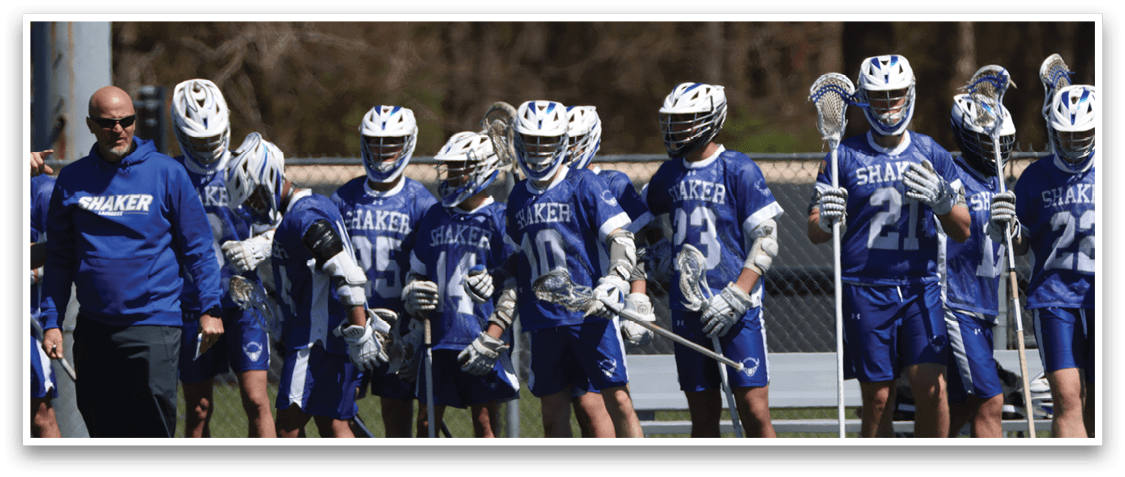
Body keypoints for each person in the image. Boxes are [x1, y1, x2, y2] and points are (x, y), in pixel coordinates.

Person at [38, 85, 225, 438]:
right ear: (92, 125)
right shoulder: (72, 180)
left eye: (127, 121)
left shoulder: (167, 173)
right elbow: (60, 259)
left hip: (153, 325)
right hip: (94, 328)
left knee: (152, 432)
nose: (119, 129)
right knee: (103, 431)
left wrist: (210, 307)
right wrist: (52, 321)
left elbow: (199, 247)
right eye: (109, 123)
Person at [806, 55, 971, 438]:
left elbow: (963, 229)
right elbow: (814, 230)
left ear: (909, 94)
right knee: (879, 398)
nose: (889, 104)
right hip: (865, 287)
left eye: (896, 94)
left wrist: (943, 202)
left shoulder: (931, 153)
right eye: (879, 96)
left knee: (932, 389)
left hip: (919, 285)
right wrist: (829, 219)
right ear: (863, 99)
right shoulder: (841, 154)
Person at [491, 100, 644, 437]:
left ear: (561, 141)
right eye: (531, 141)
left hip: (590, 314)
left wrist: (616, 282)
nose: (538, 150)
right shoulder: (518, 195)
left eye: (546, 142)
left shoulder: (583, 183)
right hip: (543, 318)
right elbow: (520, 258)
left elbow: (620, 239)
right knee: (552, 413)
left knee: (617, 400)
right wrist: (494, 277)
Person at [225, 131, 393, 438]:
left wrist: (360, 331)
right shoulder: (304, 211)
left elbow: (344, 269)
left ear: (268, 180)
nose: (251, 206)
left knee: (288, 428)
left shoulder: (304, 213)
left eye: (252, 196)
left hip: (316, 341)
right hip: (322, 336)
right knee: (333, 423)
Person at [645, 82, 781, 438]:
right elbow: (637, 216)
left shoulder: (737, 167)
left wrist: (737, 295)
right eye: (674, 120)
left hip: (737, 307)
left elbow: (765, 242)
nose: (678, 128)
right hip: (688, 307)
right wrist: (659, 245)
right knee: (703, 417)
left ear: (710, 119)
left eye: (687, 120)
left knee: (753, 409)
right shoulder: (669, 173)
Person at [169, 78, 275, 438]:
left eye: (212, 138)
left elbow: (283, 227)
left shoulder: (246, 165)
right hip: (192, 302)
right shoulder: (171, 174)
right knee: (198, 409)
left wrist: (260, 246)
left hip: (243, 299)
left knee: (257, 399)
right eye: (197, 140)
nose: (207, 147)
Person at [991, 84, 1096, 438]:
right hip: (1056, 297)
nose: (1073, 142)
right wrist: (1008, 226)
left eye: (1081, 133)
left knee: (1099, 396)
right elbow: (1019, 245)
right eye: (1065, 134)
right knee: (1067, 396)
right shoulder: (1035, 177)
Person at [402, 131, 520, 437]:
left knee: (484, 424)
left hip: (479, 336)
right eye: (449, 167)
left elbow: (513, 280)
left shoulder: (498, 218)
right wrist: (413, 292)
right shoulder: (435, 216)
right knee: (426, 424)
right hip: (438, 336)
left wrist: (495, 332)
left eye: (459, 167)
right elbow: (416, 271)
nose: (451, 174)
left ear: (481, 169)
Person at [330, 105, 437, 437]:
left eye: (390, 143)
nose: (381, 152)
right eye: (374, 143)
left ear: (407, 143)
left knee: (398, 419)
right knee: (336, 414)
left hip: (399, 330)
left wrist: (416, 325)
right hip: (354, 324)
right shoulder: (344, 197)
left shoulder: (420, 202)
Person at [942, 94, 1015, 437]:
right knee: (990, 401)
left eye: (1000, 142)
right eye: (986, 141)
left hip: (983, 304)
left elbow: (1010, 241)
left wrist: (1011, 227)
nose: (994, 149)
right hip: (956, 302)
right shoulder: (952, 175)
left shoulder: (998, 182)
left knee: (963, 405)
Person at [30, 166, 60, 438]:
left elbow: (60, 251)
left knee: (40, 415)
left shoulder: (43, 190)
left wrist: (32, 271)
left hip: (28, 323)